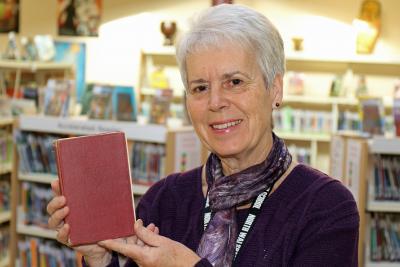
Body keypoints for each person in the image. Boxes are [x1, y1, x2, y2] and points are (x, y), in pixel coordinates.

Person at [47, 4, 359, 266]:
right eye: (200, 87)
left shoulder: (326, 207)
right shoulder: (164, 199)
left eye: (234, 81)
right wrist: (101, 258)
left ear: (275, 88)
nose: (215, 102)